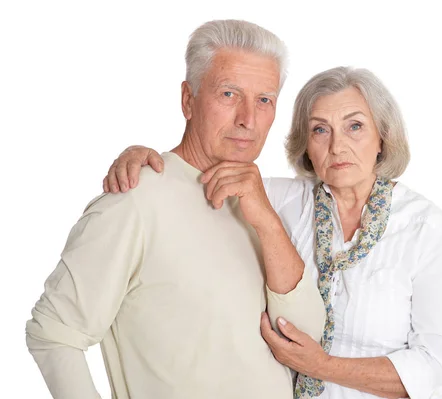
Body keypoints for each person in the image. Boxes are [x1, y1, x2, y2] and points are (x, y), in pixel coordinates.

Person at [104, 66, 442, 399]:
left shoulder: (427, 230)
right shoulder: (276, 200)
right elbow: (195, 180)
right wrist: (145, 160)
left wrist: (322, 366)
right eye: (319, 129)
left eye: (355, 126)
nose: (337, 145)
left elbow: (435, 372)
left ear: (383, 137)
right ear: (306, 146)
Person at [25, 20, 326, 399]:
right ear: (188, 100)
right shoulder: (134, 200)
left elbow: (306, 336)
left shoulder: (264, 205)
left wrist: (266, 220)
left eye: (264, 100)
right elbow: (53, 333)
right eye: (229, 94)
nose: (248, 119)